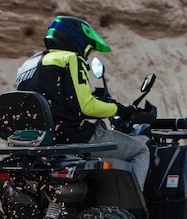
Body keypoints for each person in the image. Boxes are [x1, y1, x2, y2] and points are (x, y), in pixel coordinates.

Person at [16, 16, 150, 190]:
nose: (86, 54)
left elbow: (51, 101)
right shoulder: (71, 58)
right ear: (78, 40)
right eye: (88, 49)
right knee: (140, 150)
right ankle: (132, 212)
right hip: (72, 137)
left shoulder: (29, 63)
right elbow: (85, 106)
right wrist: (121, 109)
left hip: (36, 141)